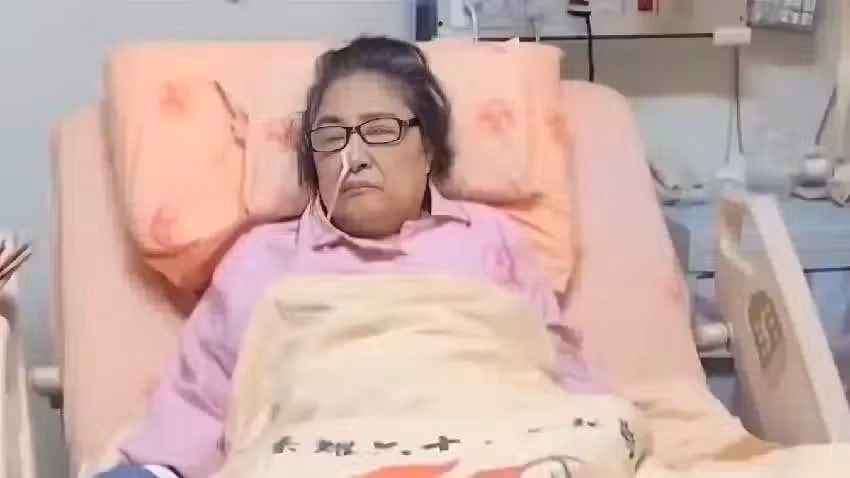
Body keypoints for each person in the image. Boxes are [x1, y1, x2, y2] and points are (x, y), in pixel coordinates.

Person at [98, 36, 600, 478]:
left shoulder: (490, 238)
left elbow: (557, 371)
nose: (353, 157)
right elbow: (196, 407)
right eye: (332, 136)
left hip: (488, 450)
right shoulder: (263, 260)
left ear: (427, 149)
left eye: (379, 130)